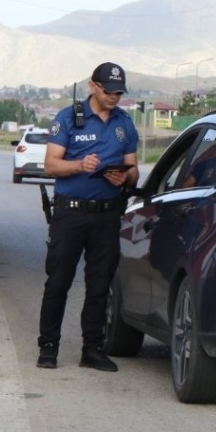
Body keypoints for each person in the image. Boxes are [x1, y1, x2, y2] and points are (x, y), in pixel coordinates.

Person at [36, 62, 140, 372]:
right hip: (71, 213)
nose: (114, 97)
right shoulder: (69, 118)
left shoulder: (125, 123)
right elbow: (51, 166)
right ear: (93, 86)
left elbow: (133, 170)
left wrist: (125, 178)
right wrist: (80, 165)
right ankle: (48, 347)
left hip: (107, 215)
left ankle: (92, 349)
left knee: (99, 284)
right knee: (58, 281)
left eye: (119, 92)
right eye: (109, 91)